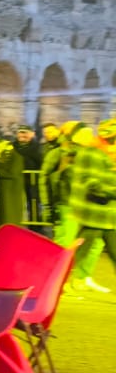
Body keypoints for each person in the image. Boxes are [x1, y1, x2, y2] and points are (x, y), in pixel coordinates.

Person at [67, 120, 116, 294]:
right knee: (80, 251)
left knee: (110, 250)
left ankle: (70, 281)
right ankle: (62, 282)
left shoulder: (104, 152)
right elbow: (92, 183)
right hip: (94, 213)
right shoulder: (90, 153)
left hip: (105, 213)